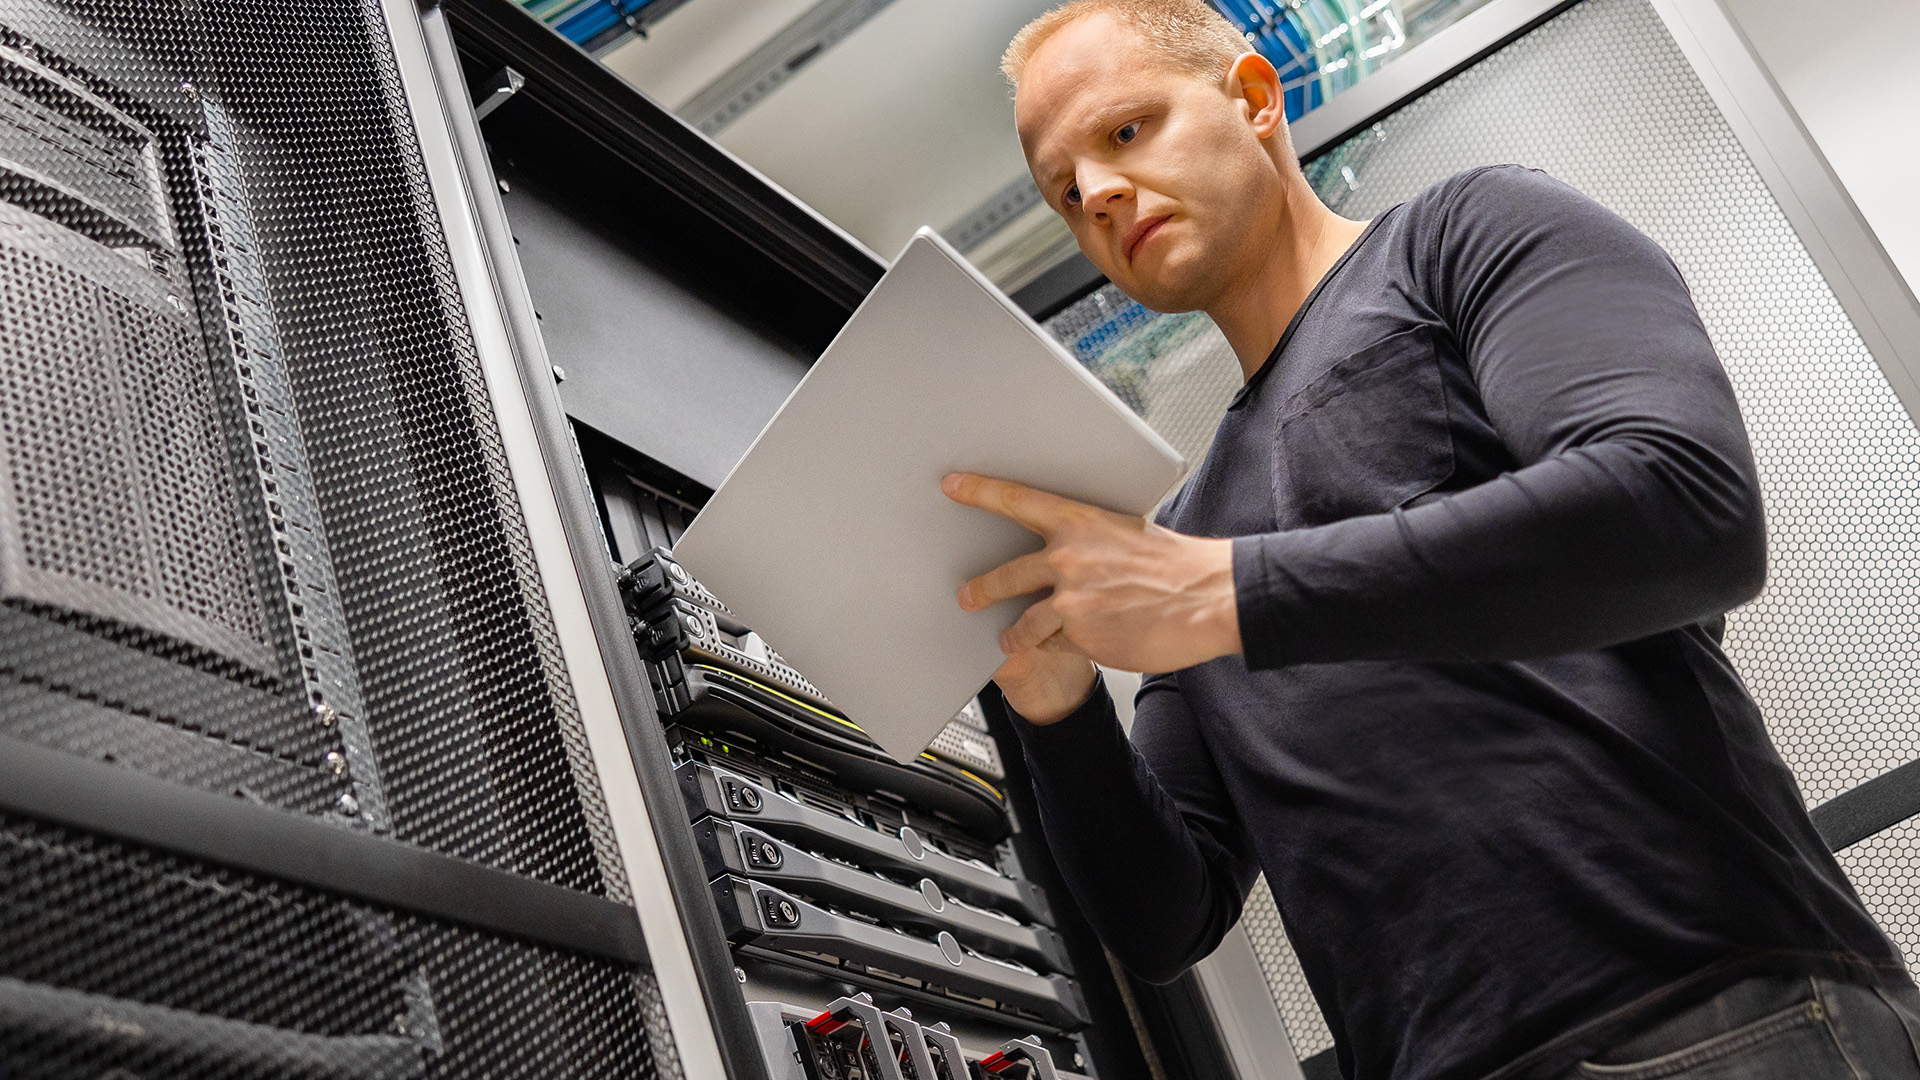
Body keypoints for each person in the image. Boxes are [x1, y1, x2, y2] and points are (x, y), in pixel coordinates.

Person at [938, 2, 1920, 1078]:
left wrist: (1229, 595)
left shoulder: (1467, 234)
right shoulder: (1190, 529)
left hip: (1711, 1015)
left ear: (1255, 100)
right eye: (1064, 190)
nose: (1099, 194)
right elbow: (1168, 918)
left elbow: (1679, 506)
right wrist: (1060, 707)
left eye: (1124, 132)